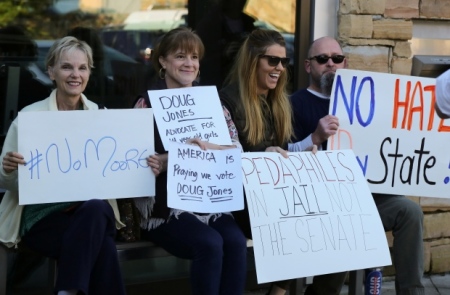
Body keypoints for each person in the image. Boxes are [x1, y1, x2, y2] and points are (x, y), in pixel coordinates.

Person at [290, 36, 425, 295]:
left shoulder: (367, 100)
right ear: (308, 66)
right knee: (348, 222)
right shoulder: (294, 104)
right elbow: (284, 158)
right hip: (319, 204)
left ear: (345, 63)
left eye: (337, 58)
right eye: (322, 59)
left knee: (410, 212)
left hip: (367, 195)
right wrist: (315, 138)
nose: (331, 64)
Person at [0, 36, 126, 295]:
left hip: (89, 215)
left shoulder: (101, 117)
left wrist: (141, 165)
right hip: (42, 220)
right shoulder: (29, 118)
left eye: (82, 68)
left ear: (90, 72)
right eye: (67, 67)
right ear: (51, 72)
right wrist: (9, 169)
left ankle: (67, 290)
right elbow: (7, 182)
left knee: (96, 208)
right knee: (101, 242)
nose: (75, 75)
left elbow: (116, 173)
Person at [132, 27, 248, 295]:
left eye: (194, 57)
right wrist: (160, 161)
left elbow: (235, 150)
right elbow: (131, 161)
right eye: (180, 56)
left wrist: (205, 148)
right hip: (164, 207)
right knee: (208, 243)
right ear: (162, 61)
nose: (189, 64)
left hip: (208, 200)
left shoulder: (213, 104)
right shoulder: (146, 104)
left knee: (235, 241)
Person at [219, 28, 302, 295]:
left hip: (268, 195)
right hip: (238, 200)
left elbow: (282, 153)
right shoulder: (227, 100)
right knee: (296, 224)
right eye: (273, 61)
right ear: (253, 61)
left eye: (284, 62)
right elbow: (221, 160)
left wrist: (311, 145)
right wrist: (260, 158)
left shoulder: (276, 102)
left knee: (316, 220)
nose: (280, 68)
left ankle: (278, 292)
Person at [196, 0, 256, 89]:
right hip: (217, 82)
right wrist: (223, 53)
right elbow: (200, 56)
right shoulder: (209, 24)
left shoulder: (248, 23)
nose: (238, 2)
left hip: (244, 78)